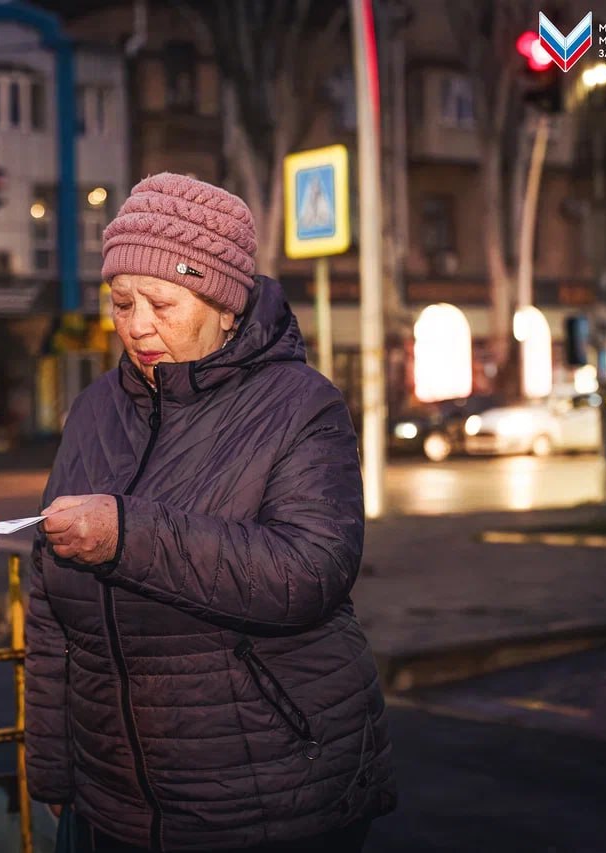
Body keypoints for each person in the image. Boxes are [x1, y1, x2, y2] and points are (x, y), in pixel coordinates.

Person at [24, 173, 397, 852]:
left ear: (226, 306)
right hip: (115, 800)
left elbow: (309, 571)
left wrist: (127, 535)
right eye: (122, 300)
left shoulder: (300, 405)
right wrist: (56, 768)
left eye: (162, 303)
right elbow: (50, 608)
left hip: (272, 794)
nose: (137, 325)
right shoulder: (95, 411)